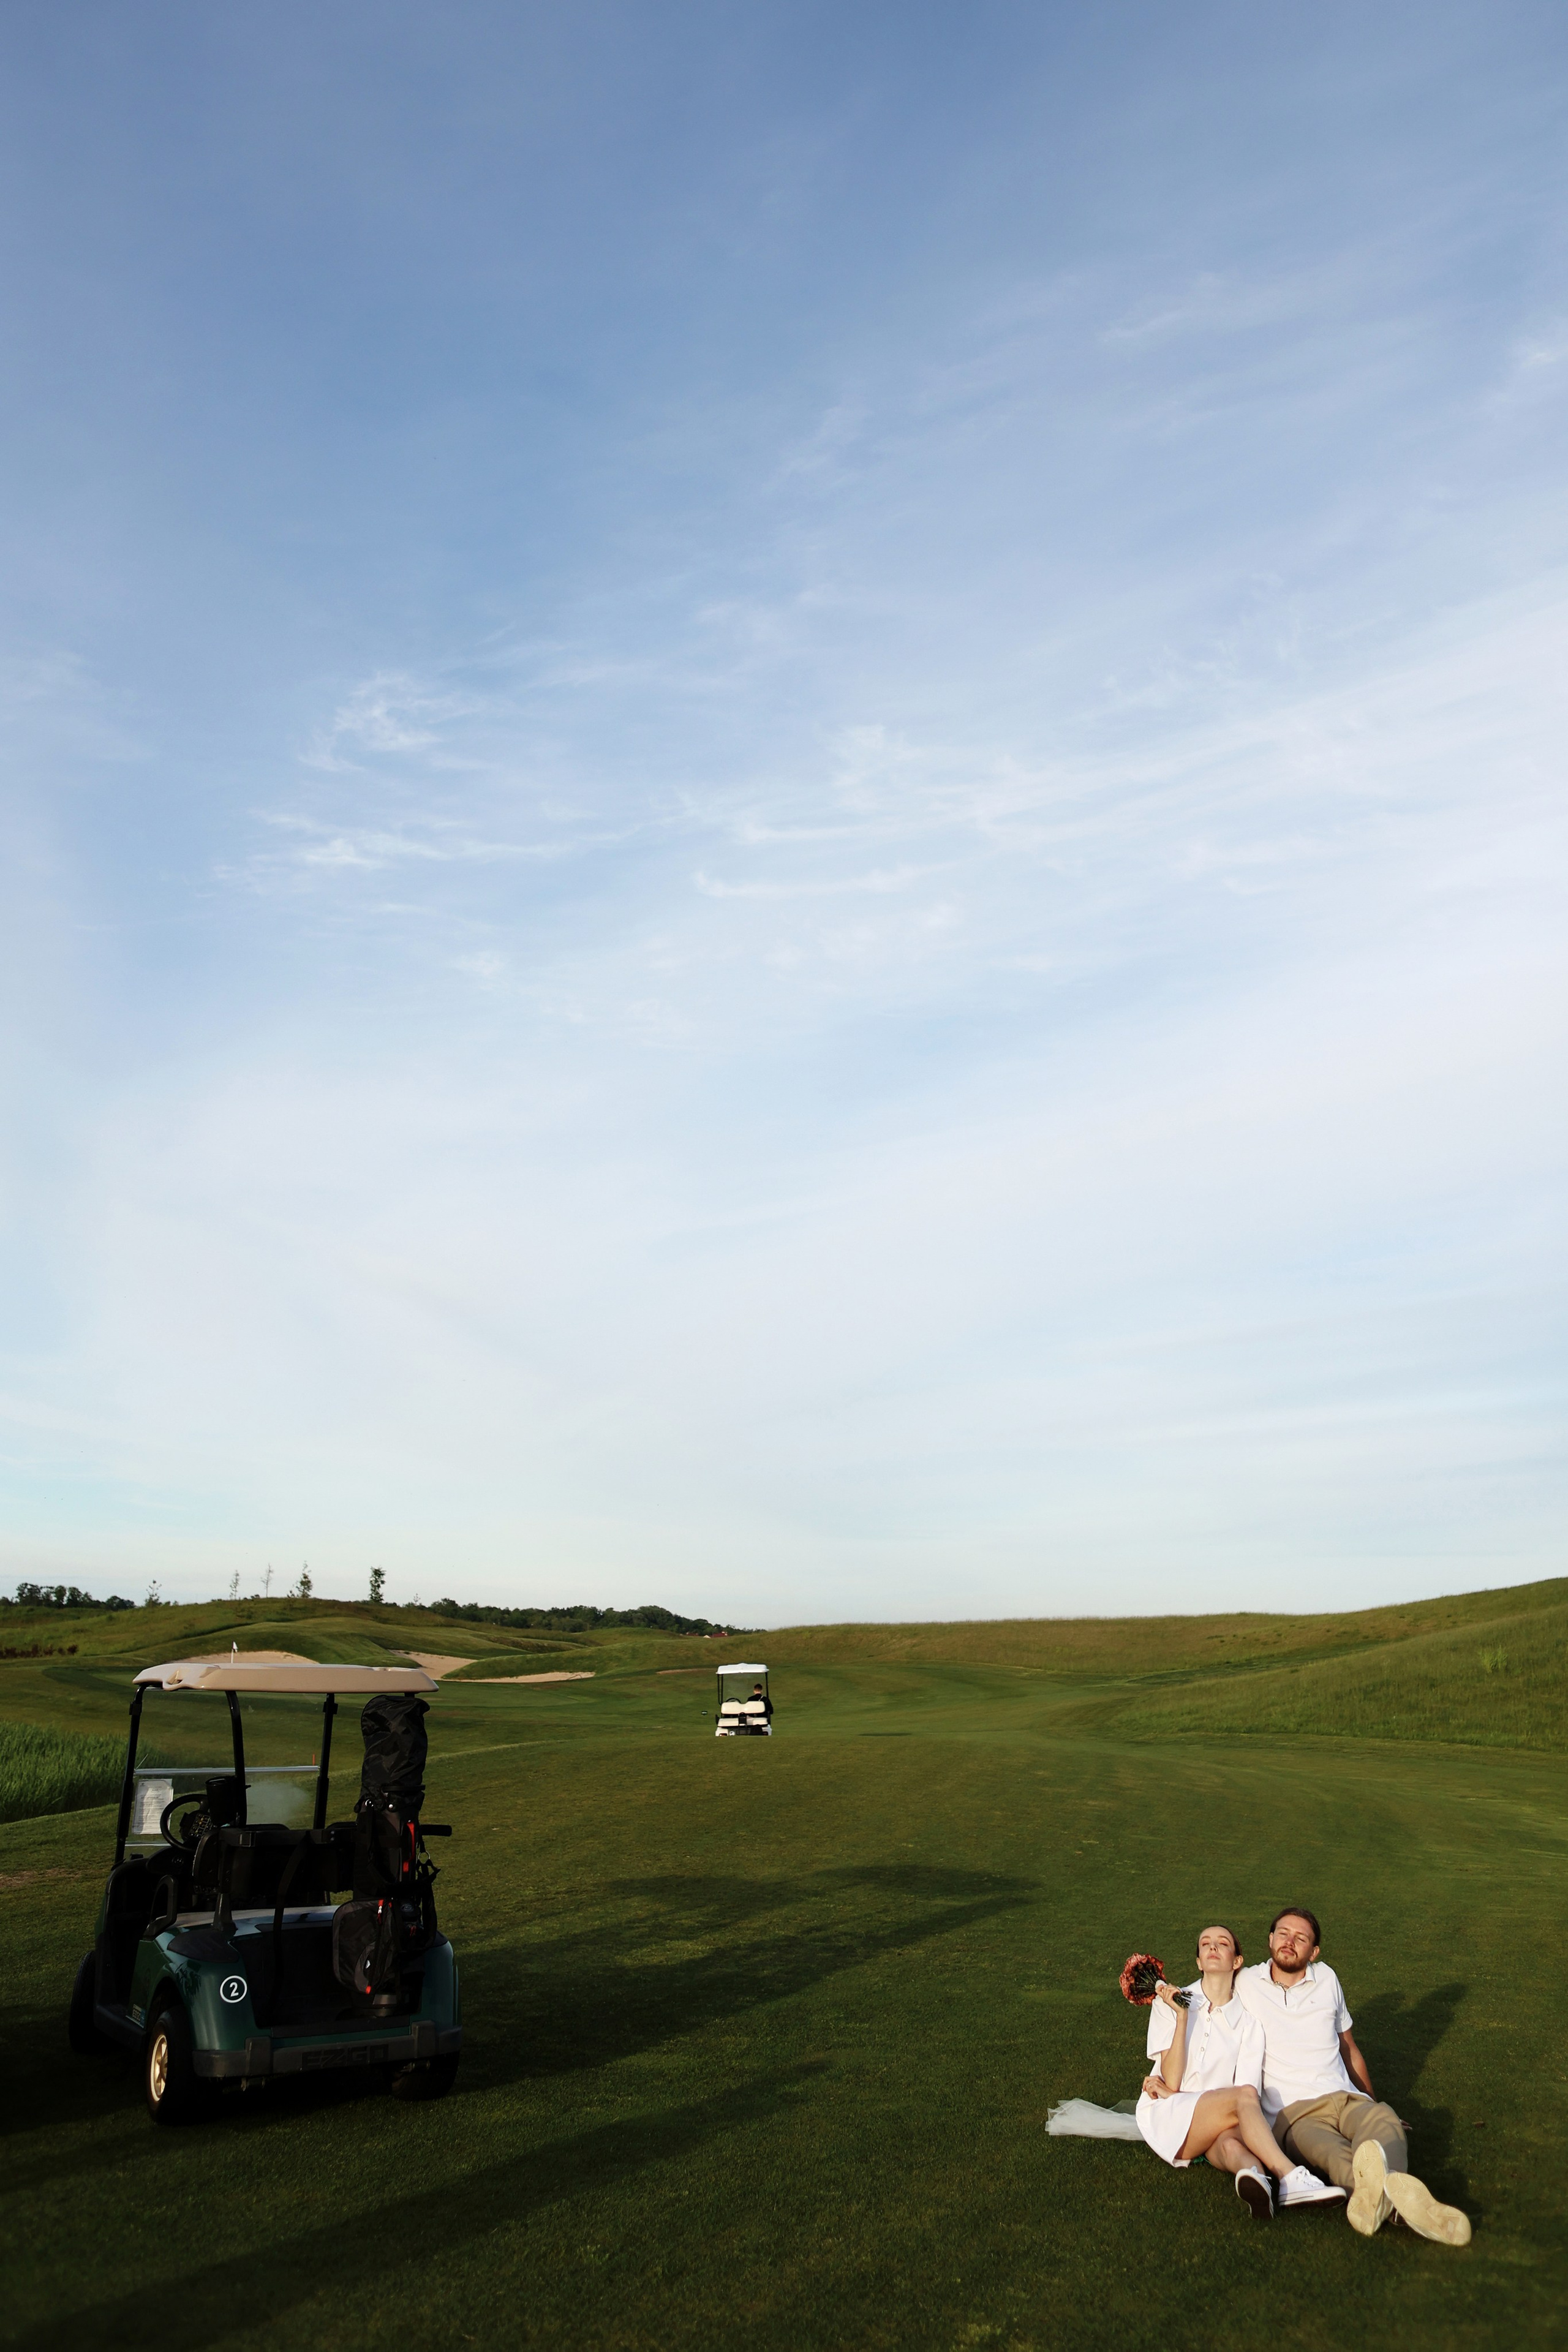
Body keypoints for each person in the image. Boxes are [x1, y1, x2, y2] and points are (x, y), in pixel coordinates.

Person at [1237, 1905, 1471, 2245]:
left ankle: (1384, 2202)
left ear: (1313, 1952)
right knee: (1334, 2154)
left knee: (1383, 2120)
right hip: (1294, 2115)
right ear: (1271, 1939)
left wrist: (1372, 2102)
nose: (1290, 1942)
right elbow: (1205, 2001)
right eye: (1283, 1934)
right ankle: (1402, 2205)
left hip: (1345, 2098)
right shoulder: (1246, 1982)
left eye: (1301, 1938)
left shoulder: (1327, 1978)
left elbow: (1348, 2047)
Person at [1137, 1924, 1348, 2220]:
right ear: (1198, 1962)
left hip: (1217, 2122)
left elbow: (1247, 2090)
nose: (1212, 1947)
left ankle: (1256, 2177)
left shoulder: (1249, 2023)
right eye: (1205, 1944)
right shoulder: (1170, 2002)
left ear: (1237, 1962)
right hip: (1170, 2117)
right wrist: (1182, 2017)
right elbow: (1171, 2082)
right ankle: (1289, 2177)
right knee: (1243, 2102)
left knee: (1231, 2143)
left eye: (1222, 1943)